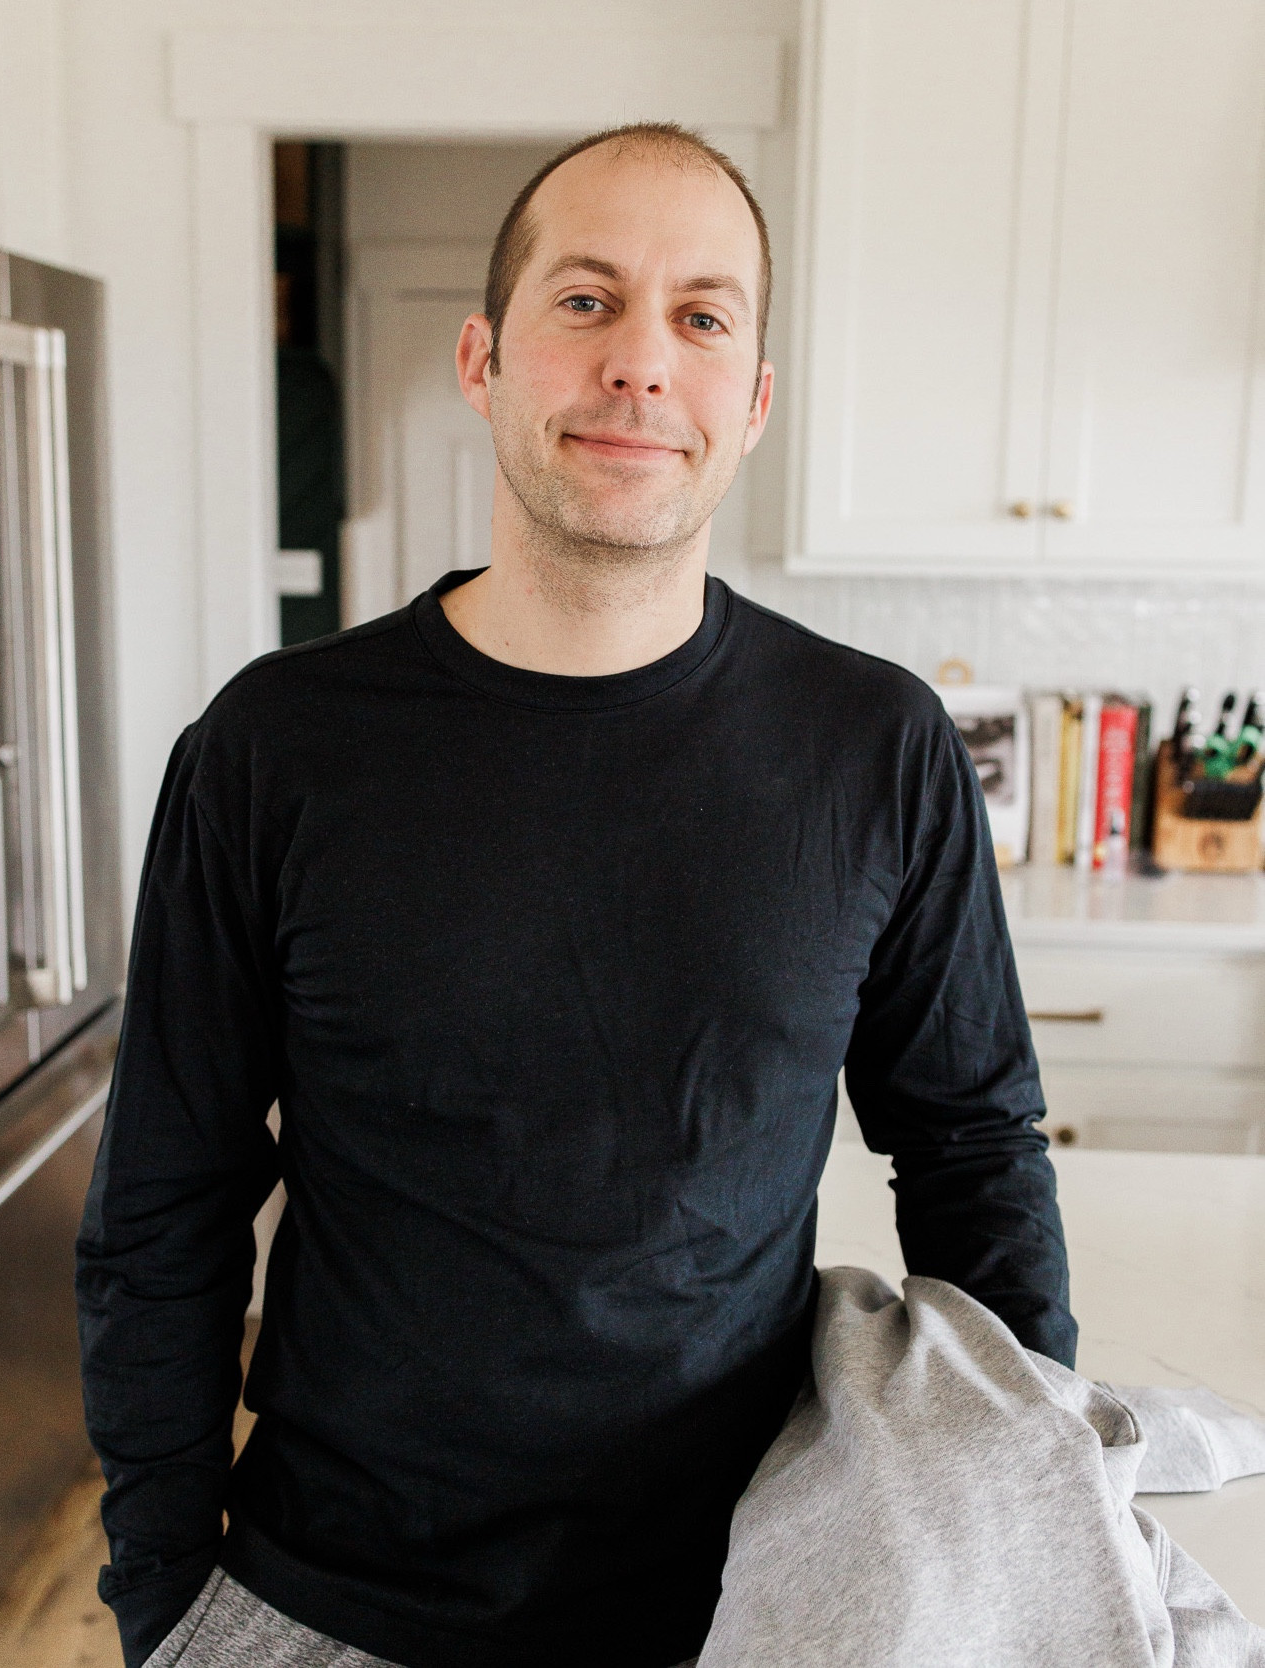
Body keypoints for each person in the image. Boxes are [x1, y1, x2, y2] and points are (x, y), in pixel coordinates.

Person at [77, 123, 1075, 1668]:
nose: (638, 365)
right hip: (320, 1602)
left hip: (755, 1604)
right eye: (586, 300)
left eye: (699, 314)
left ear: (748, 403)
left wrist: (1024, 1520)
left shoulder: (872, 750)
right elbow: (163, 1200)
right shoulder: (275, 747)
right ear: (483, 357)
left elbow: (972, 1152)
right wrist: (161, 1587)